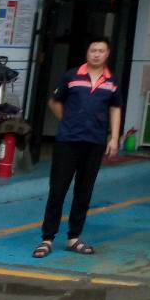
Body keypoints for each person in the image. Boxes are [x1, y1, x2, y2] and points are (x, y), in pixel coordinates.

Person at [32, 38, 121, 258]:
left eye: (101, 50)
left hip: (95, 142)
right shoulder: (71, 76)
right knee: (58, 190)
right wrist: (67, 121)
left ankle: (74, 238)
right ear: (87, 52)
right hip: (68, 141)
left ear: (107, 54)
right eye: (93, 50)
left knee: (84, 190)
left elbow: (115, 108)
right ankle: (47, 238)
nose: (97, 54)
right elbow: (54, 101)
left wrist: (114, 137)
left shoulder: (112, 81)